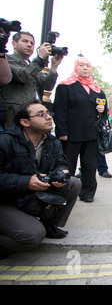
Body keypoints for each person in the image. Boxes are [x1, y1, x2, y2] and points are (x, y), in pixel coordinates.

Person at [0, 100, 81, 259]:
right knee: (32, 236)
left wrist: (61, 172)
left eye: (48, 113)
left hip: (32, 196)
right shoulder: (5, 141)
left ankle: (48, 223)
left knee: (73, 183)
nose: (48, 117)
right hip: (7, 200)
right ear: (25, 122)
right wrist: (26, 182)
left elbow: (61, 162)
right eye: (40, 114)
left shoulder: (52, 141)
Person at [53, 57, 108, 203]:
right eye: (82, 65)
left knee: (90, 166)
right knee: (68, 165)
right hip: (72, 134)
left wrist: (103, 110)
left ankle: (87, 193)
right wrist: (62, 132)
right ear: (76, 67)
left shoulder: (97, 90)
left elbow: (104, 112)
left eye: (88, 66)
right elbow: (59, 111)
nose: (85, 68)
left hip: (91, 134)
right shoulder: (66, 86)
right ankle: (64, 191)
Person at [0, 31, 63, 129]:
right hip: (15, 114)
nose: (29, 45)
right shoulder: (7, 60)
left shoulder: (32, 64)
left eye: (32, 43)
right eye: (25, 41)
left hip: (34, 115)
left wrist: (54, 66)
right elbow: (23, 76)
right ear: (14, 44)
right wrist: (39, 59)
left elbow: (47, 85)